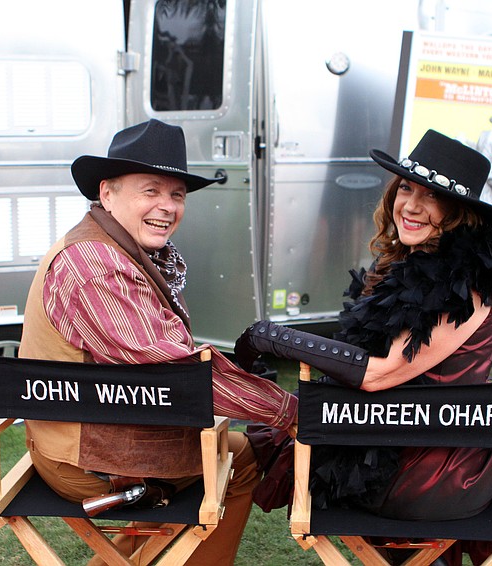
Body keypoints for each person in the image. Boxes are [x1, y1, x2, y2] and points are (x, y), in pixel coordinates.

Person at [235, 129, 492, 564]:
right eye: (406, 188)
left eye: (432, 196)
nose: (412, 206)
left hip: (432, 475)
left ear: (460, 213)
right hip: (401, 440)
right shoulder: (414, 263)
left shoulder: (470, 281)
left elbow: (379, 371)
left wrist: (273, 337)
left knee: (298, 446)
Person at [18, 119, 297, 566]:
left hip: (97, 432)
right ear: (106, 194)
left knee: (227, 448)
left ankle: (120, 559)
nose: (166, 207)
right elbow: (178, 373)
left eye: (176, 194)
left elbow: (165, 356)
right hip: (85, 459)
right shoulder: (97, 266)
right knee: (242, 458)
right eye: (151, 190)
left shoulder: (118, 248)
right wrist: (288, 410)